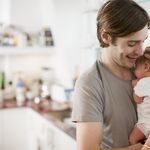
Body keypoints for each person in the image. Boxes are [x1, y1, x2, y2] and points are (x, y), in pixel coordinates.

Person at [71, 0, 150, 149]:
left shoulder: (144, 68)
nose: (140, 51)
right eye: (132, 44)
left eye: (143, 41)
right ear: (106, 36)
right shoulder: (90, 84)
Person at [129, 51, 150, 145]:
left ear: (146, 67)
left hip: (146, 124)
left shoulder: (142, 82)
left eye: (136, 67)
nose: (134, 71)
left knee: (132, 140)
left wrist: (134, 87)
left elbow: (138, 99)